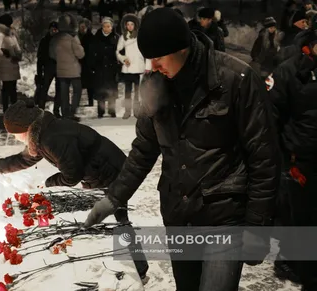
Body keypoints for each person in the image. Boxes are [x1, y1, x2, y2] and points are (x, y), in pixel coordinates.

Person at [84, 8, 280, 291]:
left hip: (223, 217)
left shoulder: (236, 79)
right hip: (179, 215)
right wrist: (112, 199)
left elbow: (264, 158)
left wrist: (257, 229)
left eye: (158, 57)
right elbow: (143, 150)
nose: (152, 66)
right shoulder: (155, 84)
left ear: (183, 48)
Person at [0, 99, 150, 282]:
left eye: (15, 134)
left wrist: (49, 183)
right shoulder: (43, 134)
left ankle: (139, 270)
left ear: (25, 129)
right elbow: (25, 159)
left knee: (119, 219)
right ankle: (134, 266)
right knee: (113, 218)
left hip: (108, 170)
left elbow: (72, 175)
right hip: (99, 169)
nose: (15, 138)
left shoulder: (51, 139)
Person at [268, 26, 317, 291]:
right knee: (303, 221)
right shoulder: (288, 71)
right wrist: (284, 161)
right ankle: (300, 269)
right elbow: (271, 119)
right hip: (300, 162)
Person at [49, 13, 84, 121]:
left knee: (64, 93)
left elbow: (52, 54)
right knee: (77, 90)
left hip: (61, 70)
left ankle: (65, 113)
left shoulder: (55, 39)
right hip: (73, 70)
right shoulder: (73, 38)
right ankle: (72, 112)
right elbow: (80, 54)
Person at [116, 13, 148, 119]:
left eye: (132, 24)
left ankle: (137, 111)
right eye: (128, 24)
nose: (130, 26)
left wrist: (147, 65)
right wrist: (124, 59)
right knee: (127, 92)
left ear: (135, 25)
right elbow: (118, 52)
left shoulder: (140, 36)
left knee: (138, 92)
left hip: (138, 68)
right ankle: (127, 111)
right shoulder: (123, 38)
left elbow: (145, 52)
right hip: (128, 68)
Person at [88, 17, 119, 118]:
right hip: (99, 68)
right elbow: (91, 52)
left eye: (108, 26)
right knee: (100, 90)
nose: (106, 28)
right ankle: (100, 111)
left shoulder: (116, 38)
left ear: (111, 27)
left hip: (112, 68)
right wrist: (93, 66)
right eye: (105, 26)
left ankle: (112, 110)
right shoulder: (96, 38)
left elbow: (120, 53)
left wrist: (118, 66)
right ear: (102, 27)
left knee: (111, 90)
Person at [0, 14, 22, 113]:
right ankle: (6, 109)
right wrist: (6, 53)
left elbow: (16, 45)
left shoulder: (11, 33)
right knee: (6, 87)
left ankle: (14, 108)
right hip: (5, 64)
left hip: (13, 63)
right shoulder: (0, 34)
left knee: (13, 87)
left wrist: (18, 53)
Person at [36, 21, 61, 115]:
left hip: (59, 68)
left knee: (59, 90)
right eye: (52, 29)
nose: (54, 31)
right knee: (44, 89)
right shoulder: (44, 41)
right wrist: (39, 72)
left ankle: (56, 110)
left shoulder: (60, 41)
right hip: (48, 68)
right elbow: (40, 57)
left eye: (55, 29)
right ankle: (41, 110)